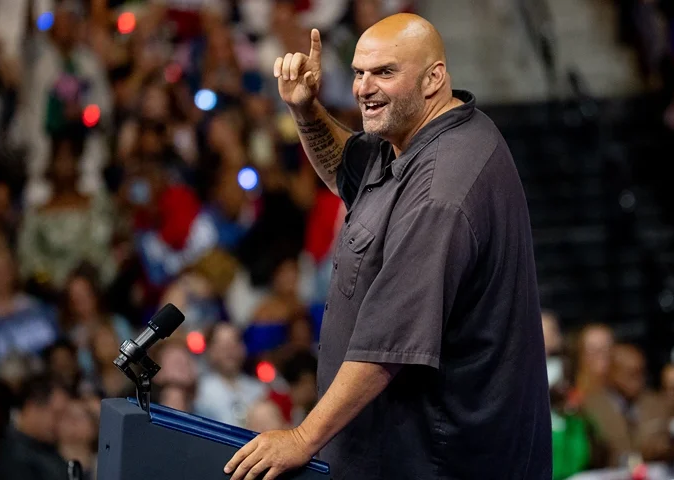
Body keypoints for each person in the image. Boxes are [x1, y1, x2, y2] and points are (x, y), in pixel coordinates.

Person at [225, 13, 551, 480]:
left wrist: (304, 438)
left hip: (443, 464)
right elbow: (348, 170)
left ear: (434, 77)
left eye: (384, 72)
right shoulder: (416, 138)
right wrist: (305, 109)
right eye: (358, 72)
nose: (363, 87)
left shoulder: (442, 190)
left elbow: (388, 346)